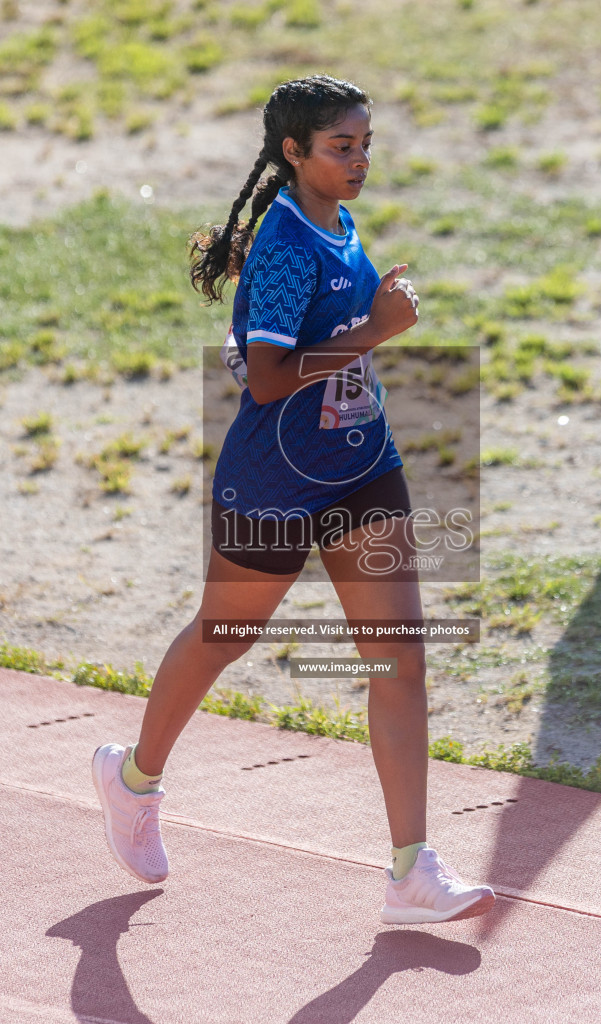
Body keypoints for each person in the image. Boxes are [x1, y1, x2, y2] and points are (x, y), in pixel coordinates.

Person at [92, 74, 495, 925]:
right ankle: (133, 779)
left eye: (365, 145)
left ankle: (410, 872)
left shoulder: (338, 220)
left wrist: (368, 340)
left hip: (361, 467)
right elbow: (270, 380)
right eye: (341, 147)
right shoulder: (284, 246)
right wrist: (377, 331)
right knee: (224, 637)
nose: (359, 161)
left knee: (399, 657)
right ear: (293, 153)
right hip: (275, 479)